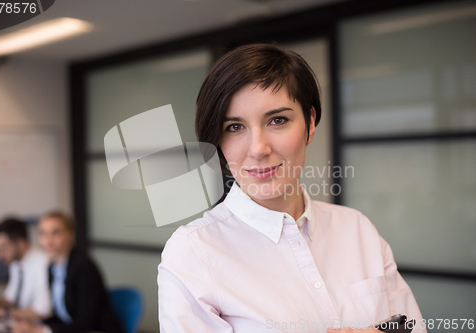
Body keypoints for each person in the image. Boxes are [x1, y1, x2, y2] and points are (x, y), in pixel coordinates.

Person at [157, 43, 427, 333]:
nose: (258, 149)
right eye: (235, 127)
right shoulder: (194, 252)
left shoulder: (357, 229)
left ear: (310, 123)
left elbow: (412, 327)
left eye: (278, 120)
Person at [11, 211, 124, 333]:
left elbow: (86, 322)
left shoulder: (83, 267)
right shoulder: (53, 267)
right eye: (43, 233)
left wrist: (43, 330)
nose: (48, 239)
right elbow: (62, 315)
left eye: (55, 233)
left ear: (70, 234)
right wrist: (35, 324)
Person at [0, 217, 52, 320]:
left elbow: (43, 311)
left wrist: (0, 312)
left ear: (21, 243)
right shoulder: (15, 262)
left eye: (3, 248)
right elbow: (10, 298)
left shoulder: (43, 264)